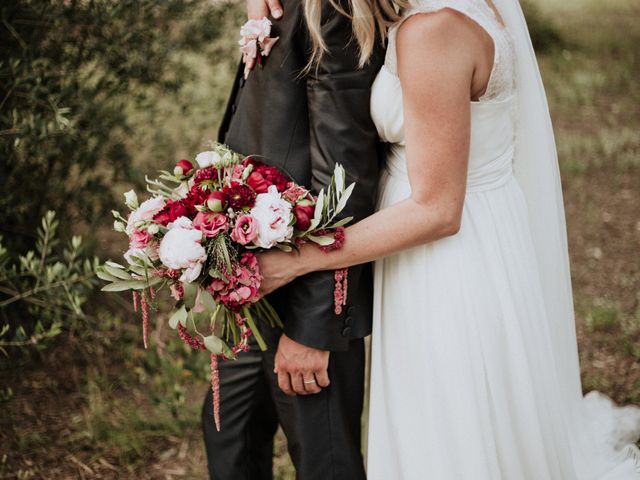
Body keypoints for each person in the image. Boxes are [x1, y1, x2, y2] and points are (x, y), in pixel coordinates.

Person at [256, 0, 640, 478]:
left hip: (443, 267)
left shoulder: (432, 31)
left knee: (449, 426)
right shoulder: (468, 8)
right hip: (486, 240)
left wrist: (298, 260)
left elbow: (436, 210)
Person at [201, 1, 393, 479]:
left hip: (304, 288)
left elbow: (344, 182)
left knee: (324, 460)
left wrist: (313, 327)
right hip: (251, 281)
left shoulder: (334, 11)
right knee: (230, 437)